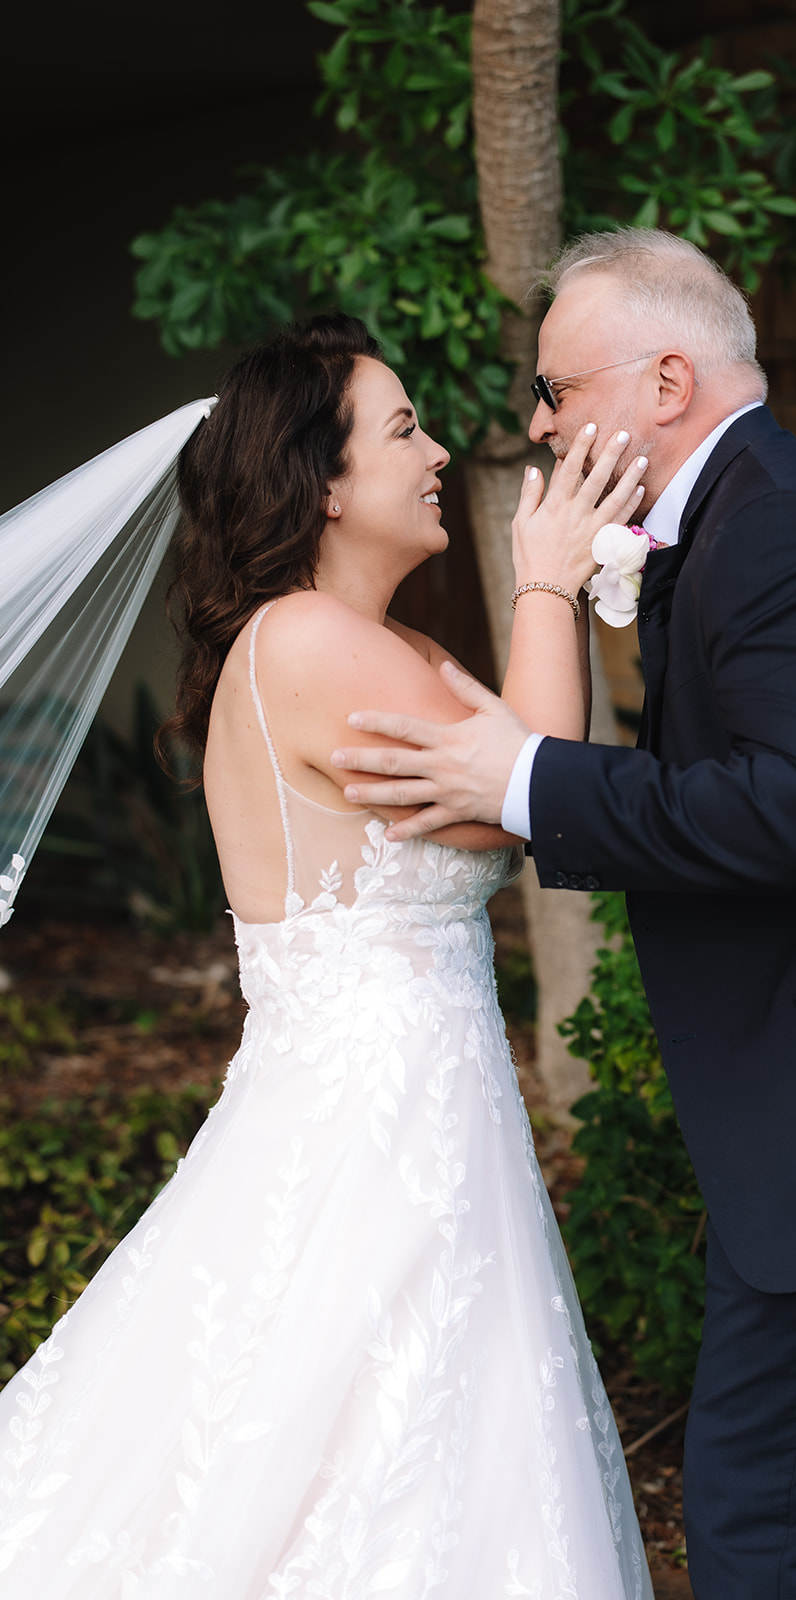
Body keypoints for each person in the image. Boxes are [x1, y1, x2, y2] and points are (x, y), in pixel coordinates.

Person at [331, 230, 796, 1600]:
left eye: (556, 389)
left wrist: (531, 779)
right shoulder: (742, 519)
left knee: (760, 1535)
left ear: (663, 379)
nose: (539, 424)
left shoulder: (783, 528)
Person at [0, 313, 654, 1597]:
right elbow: (537, 788)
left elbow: (543, 781)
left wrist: (546, 608)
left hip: (428, 1108)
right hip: (367, 1125)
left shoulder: (397, 650)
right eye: (402, 429)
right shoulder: (303, 644)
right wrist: (541, 582)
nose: (434, 452)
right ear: (323, 482)